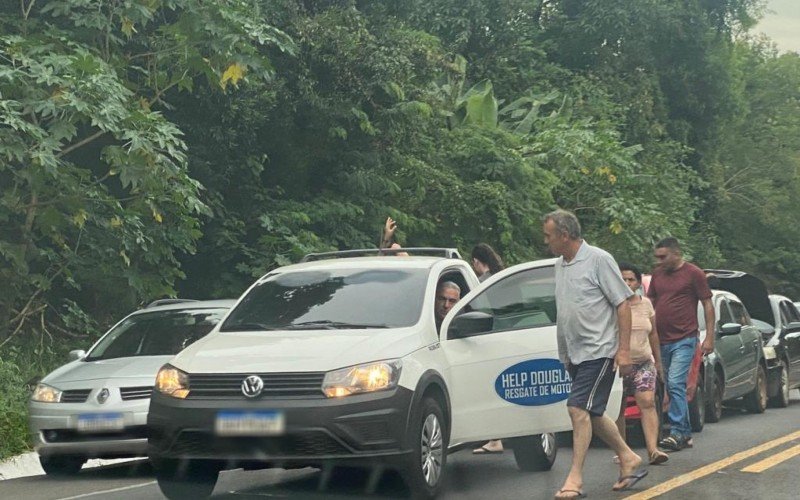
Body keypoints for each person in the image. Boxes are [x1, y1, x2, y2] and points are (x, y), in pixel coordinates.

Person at [543, 209, 647, 499]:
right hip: (574, 352)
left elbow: (623, 304)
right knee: (593, 412)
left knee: (577, 408)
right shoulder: (559, 265)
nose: (546, 241)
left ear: (565, 235)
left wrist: (623, 351)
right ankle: (629, 458)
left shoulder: (599, 259)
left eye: (549, 236)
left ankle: (574, 479)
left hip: (599, 350)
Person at [647, 237, 714, 452]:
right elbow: (651, 306)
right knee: (668, 384)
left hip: (685, 338)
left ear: (676, 253)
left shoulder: (693, 273)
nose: (659, 261)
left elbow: (707, 303)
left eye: (663, 256)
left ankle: (677, 431)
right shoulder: (657, 275)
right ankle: (684, 434)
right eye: (656, 257)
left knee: (676, 382)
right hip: (662, 340)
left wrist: (709, 336)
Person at [614, 262, 669, 466]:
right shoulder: (612, 304)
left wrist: (658, 363)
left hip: (644, 362)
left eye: (631, 279)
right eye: (622, 279)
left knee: (647, 401)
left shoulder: (646, 304)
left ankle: (653, 449)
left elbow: (653, 334)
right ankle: (623, 451)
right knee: (617, 409)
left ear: (638, 283)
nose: (627, 283)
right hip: (619, 365)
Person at [470, 243, 506, 454]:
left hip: (486, 339)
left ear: (476, 261)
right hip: (504, 338)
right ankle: (497, 437)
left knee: (489, 389)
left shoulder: (481, 283)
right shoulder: (501, 277)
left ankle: (495, 439)